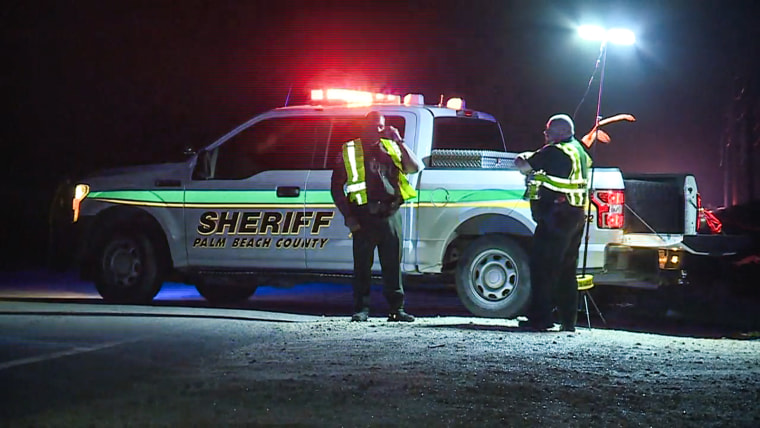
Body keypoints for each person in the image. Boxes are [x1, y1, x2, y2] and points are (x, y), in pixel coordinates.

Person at [330, 111, 422, 322]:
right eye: (374, 124)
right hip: (363, 216)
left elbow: (414, 168)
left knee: (392, 265)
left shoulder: (391, 147)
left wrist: (399, 141)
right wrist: (349, 217)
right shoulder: (351, 150)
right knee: (362, 266)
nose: (378, 129)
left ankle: (396, 309)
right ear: (364, 125)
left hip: (390, 214)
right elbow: (336, 187)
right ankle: (361, 309)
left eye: (381, 125)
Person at [514, 114, 592, 332]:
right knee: (567, 270)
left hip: (556, 215)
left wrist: (525, 155)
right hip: (576, 214)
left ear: (558, 133)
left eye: (548, 130)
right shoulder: (578, 150)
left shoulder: (554, 151)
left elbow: (522, 165)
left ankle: (540, 319)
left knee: (543, 268)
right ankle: (568, 321)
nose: (545, 134)